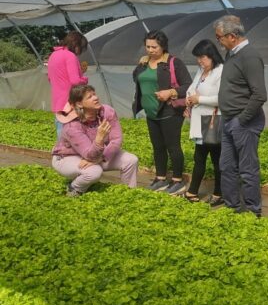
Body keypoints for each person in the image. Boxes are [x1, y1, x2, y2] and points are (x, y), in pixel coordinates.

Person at [214, 15, 267, 216]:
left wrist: (241, 120)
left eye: (219, 37)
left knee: (247, 169)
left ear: (232, 36)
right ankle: (232, 208)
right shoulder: (232, 54)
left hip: (244, 122)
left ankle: (253, 212)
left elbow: (260, 94)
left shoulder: (250, 56)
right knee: (226, 166)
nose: (218, 41)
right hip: (229, 120)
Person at [132, 30, 192, 195]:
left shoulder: (173, 63)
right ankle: (160, 179)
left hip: (170, 111)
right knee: (157, 147)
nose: (150, 50)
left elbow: (188, 85)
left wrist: (170, 92)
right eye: (148, 46)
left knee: (173, 147)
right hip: (151, 113)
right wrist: (140, 66)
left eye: (154, 47)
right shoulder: (144, 62)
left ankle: (178, 181)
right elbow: (137, 79)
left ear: (163, 46)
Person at [52, 84, 138, 196]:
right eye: (89, 97)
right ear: (79, 104)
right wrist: (99, 139)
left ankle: (130, 194)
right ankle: (74, 189)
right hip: (68, 157)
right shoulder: (72, 126)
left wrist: (102, 158)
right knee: (94, 172)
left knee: (131, 160)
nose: (96, 98)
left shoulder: (107, 112)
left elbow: (116, 139)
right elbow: (89, 154)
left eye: (94, 94)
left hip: (97, 155)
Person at [183, 39, 225, 207]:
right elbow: (192, 88)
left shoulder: (221, 71)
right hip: (200, 120)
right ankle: (194, 192)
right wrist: (189, 99)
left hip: (213, 120)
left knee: (215, 159)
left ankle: (217, 193)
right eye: (198, 57)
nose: (200, 61)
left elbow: (222, 98)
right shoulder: (201, 71)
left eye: (202, 57)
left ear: (212, 55)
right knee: (200, 157)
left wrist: (198, 98)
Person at [47, 31, 88, 139]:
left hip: (58, 103)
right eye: (81, 48)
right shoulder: (70, 56)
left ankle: (58, 155)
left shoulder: (53, 55)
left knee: (61, 137)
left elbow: (51, 79)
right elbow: (75, 81)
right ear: (76, 45)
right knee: (73, 138)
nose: (80, 52)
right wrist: (84, 79)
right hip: (70, 104)